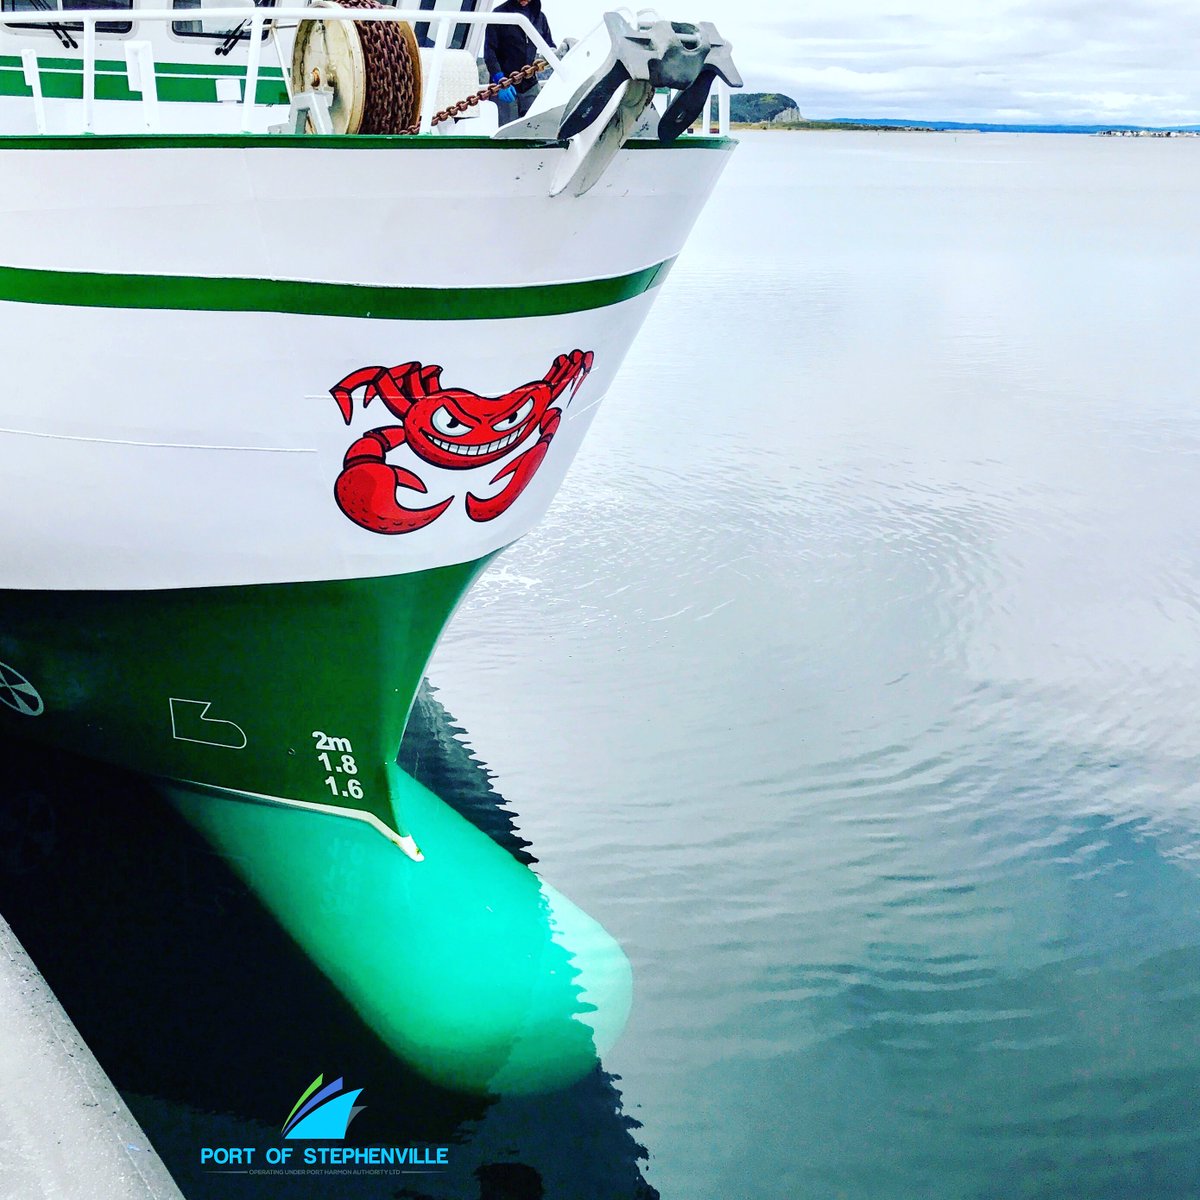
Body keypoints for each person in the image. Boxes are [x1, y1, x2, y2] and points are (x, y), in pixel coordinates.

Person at [484, 0, 555, 124]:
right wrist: (499, 80)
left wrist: (557, 53)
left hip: (530, 85)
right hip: (505, 85)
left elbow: (549, 46)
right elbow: (490, 52)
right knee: (506, 134)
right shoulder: (499, 14)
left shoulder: (540, 17)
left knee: (536, 127)